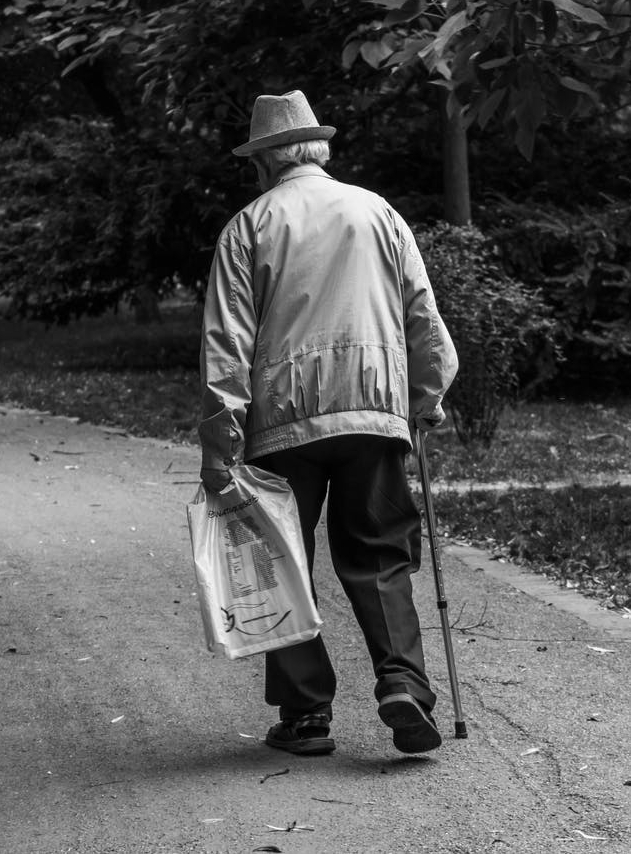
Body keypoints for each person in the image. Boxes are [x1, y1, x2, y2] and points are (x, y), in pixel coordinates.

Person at [198, 90, 458, 756]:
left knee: (281, 560)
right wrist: (425, 400)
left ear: (262, 162)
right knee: (379, 556)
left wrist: (220, 449)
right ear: (318, 148)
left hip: (281, 423)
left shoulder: (249, 226)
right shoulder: (377, 212)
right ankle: (401, 685)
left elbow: (226, 348)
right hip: (372, 412)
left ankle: (305, 714)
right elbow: (421, 317)